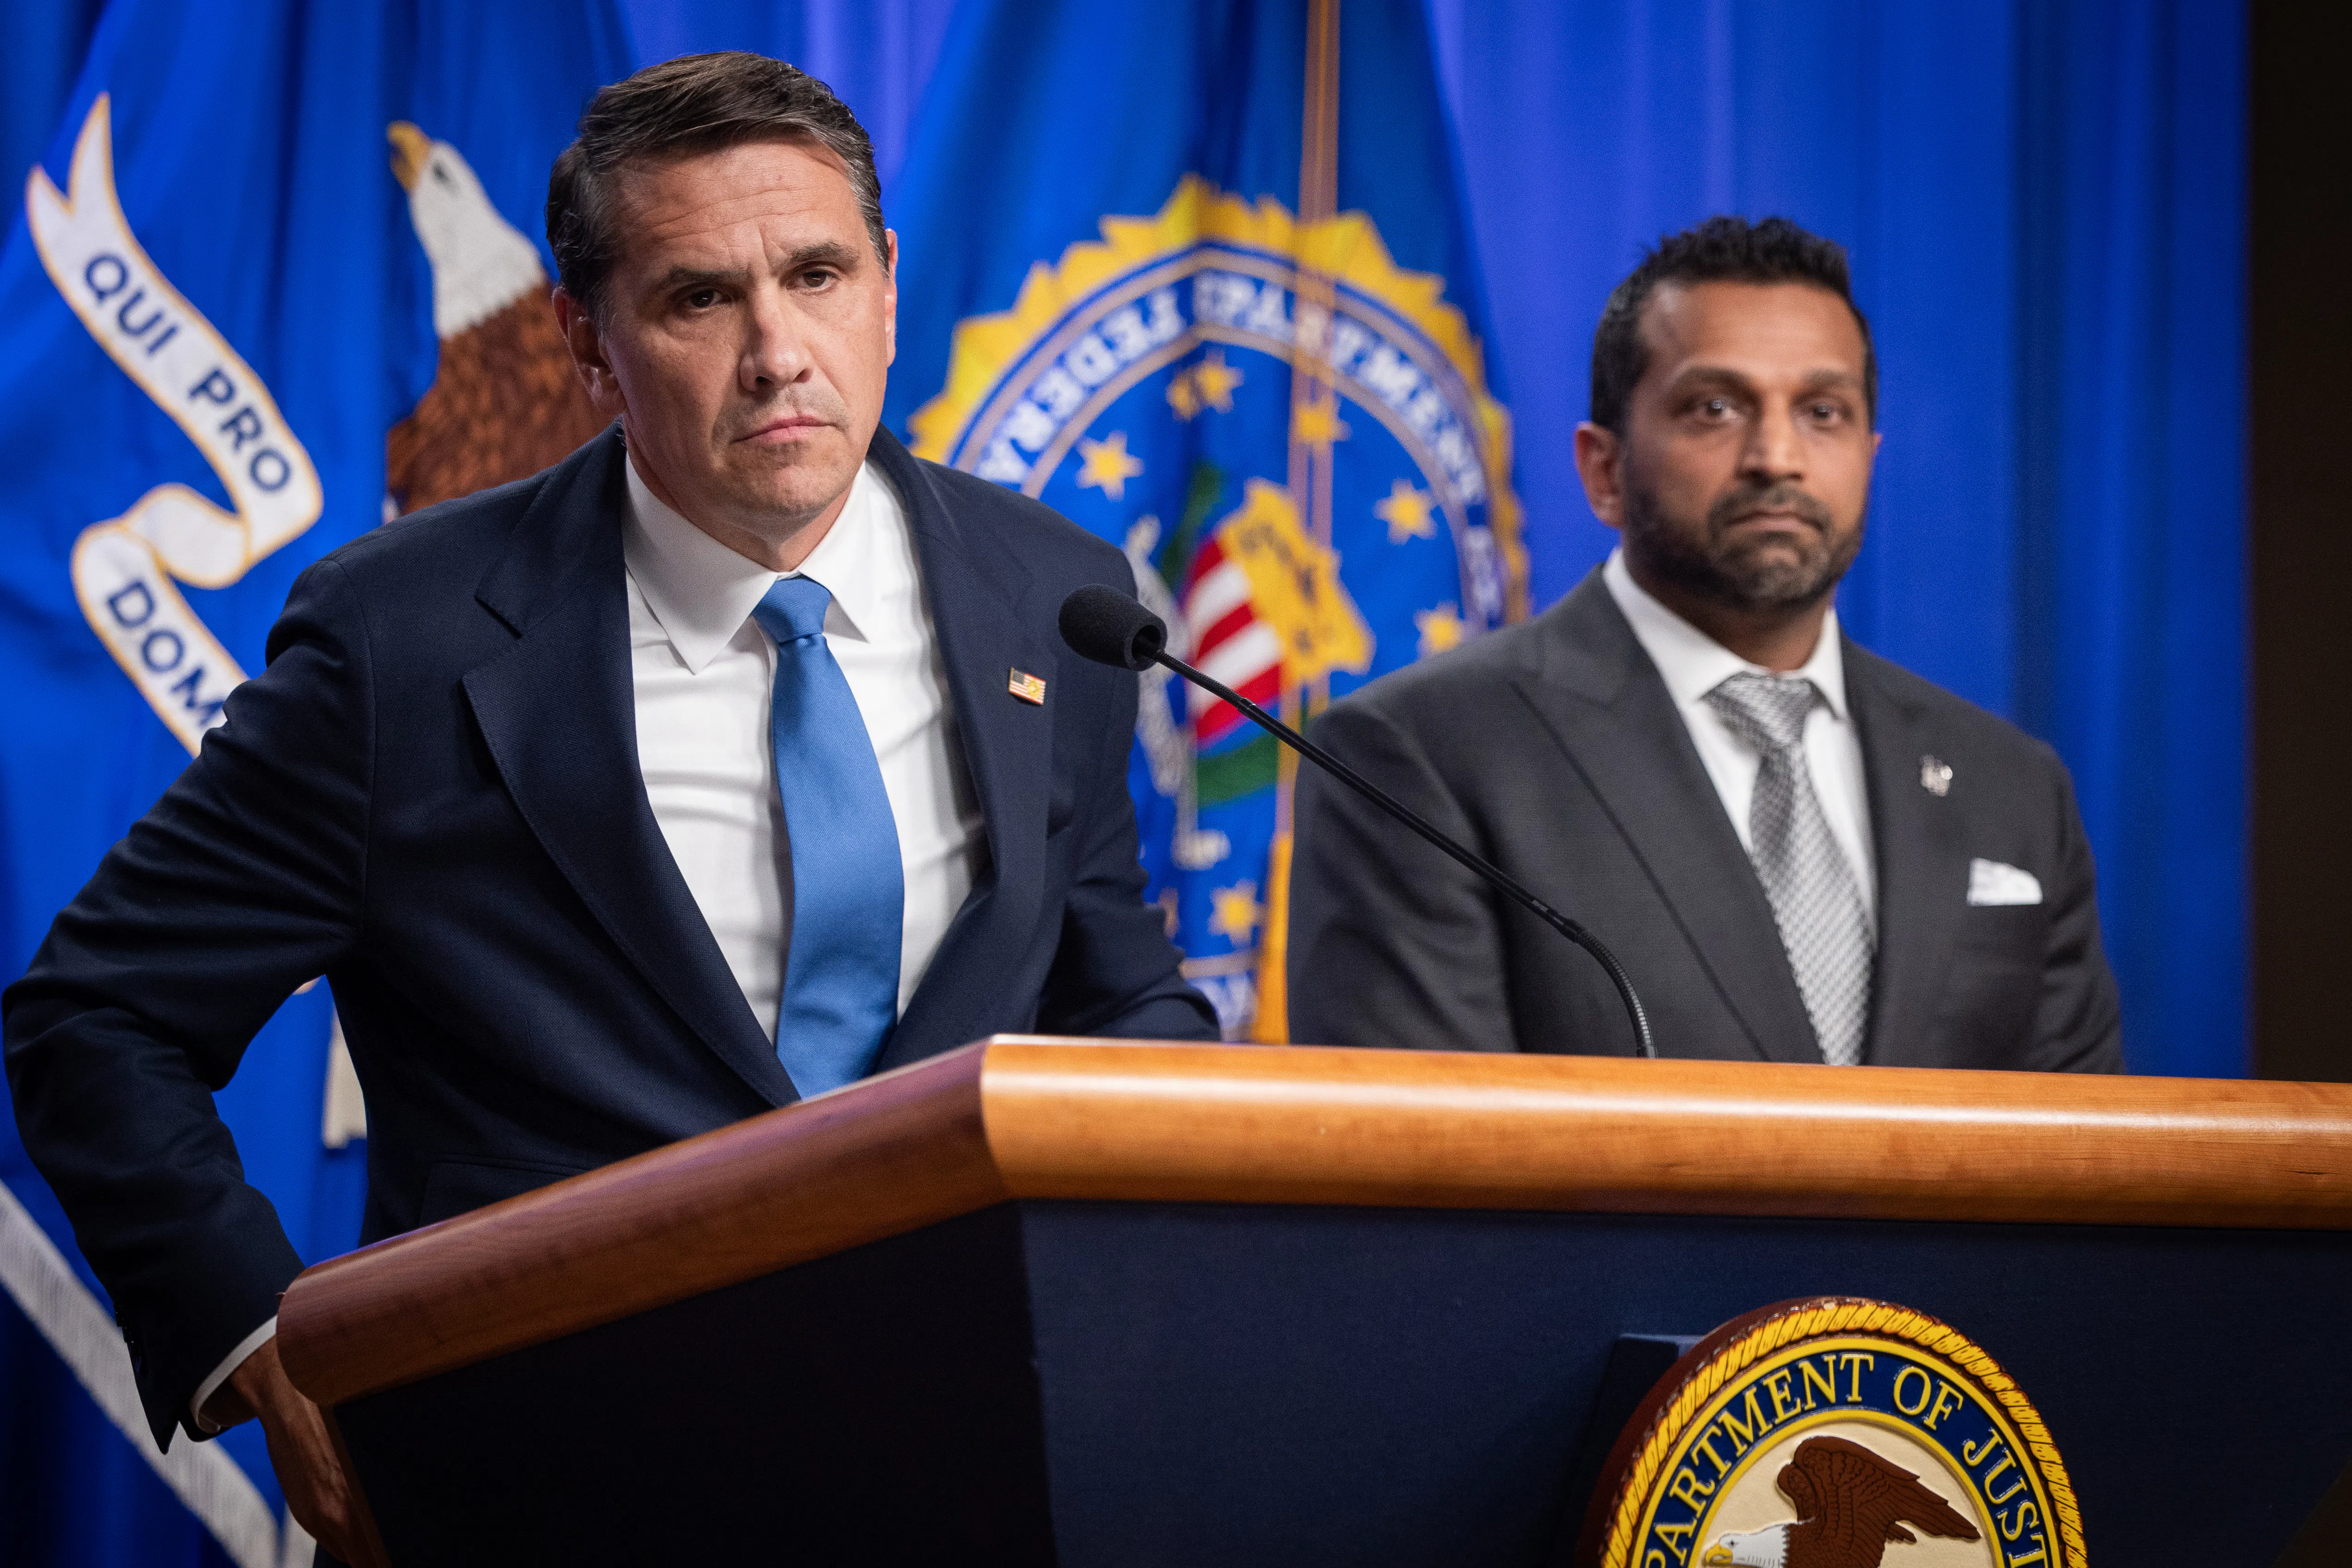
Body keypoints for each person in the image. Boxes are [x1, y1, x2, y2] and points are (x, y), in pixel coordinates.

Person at [3, 53, 1214, 1556]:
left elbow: (1109, 990)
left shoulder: (1057, 597)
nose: (779, 351)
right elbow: (97, 1012)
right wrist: (254, 1340)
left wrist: (1197, 1204)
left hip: (966, 1464)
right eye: (700, 297)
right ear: (584, 339)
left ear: (887, 287)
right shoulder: (404, 641)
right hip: (533, 1483)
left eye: (817, 274)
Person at [1287, 215, 2121, 1078]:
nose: (1777, 457)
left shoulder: (2011, 788)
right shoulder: (1417, 757)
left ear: (1869, 456)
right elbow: (1427, 1168)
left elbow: (2087, 1163)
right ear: (1604, 470)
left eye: (1822, 412)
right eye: (1714, 408)